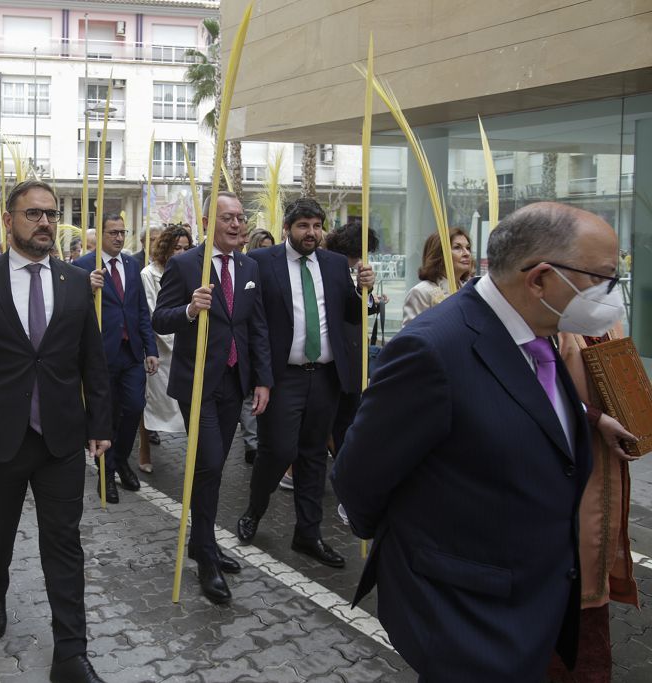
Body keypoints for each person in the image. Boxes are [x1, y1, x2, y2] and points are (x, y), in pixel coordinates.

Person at [331, 202, 624, 681]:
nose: (611, 295)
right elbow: (358, 476)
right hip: (468, 619)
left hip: (535, 603)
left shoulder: (540, 330)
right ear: (540, 279)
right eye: (603, 278)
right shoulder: (433, 349)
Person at [0, 179, 112, 683]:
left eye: (52, 215)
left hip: (60, 437)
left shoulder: (75, 282)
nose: (45, 223)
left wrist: (99, 423)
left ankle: (71, 653)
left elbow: (91, 360)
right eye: (34, 214)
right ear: (10, 219)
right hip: (2, 434)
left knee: (64, 542)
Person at [236, 199, 375, 570]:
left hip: (325, 376)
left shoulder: (332, 264)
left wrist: (365, 291)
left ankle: (308, 533)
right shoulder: (263, 263)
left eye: (317, 225)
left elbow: (349, 313)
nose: (311, 232)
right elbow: (256, 324)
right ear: (287, 228)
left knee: (314, 455)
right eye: (303, 226)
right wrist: (261, 377)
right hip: (283, 378)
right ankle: (255, 509)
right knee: (278, 450)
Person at [152, 191, 273, 605]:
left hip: (235, 382)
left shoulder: (249, 265)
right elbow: (159, 318)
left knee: (214, 468)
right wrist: (189, 309)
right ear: (209, 222)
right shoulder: (187, 265)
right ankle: (204, 554)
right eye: (228, 218)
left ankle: (202, 540)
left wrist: (262, 380)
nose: (237, 225)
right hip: (198, 383)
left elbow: (256, 327)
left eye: (240, 217)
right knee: (207, 462)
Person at [548, 326, 639, 681]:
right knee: (565, 584)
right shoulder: (548, 322)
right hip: (566, 476)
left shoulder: (608, 322)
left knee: (592, 588)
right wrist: (595, 418)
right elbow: (538, 391)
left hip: (604, 473)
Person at [76, 214, 158, 503]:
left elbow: (141, 311)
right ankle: (106, 473)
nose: (119, 238)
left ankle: (121, 459)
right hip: (100, 354)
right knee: (105, 417)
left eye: (123, 232)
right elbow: (71, 310)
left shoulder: (132, 265)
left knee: (134, 408)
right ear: (100, 235)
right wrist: (86, 288)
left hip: (132, 352)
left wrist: (151, 349)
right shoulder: (83, 266)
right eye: (113, 233)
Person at [323, 220, 382, 455]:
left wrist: (365, 295)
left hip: (351, 356)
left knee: (346, 416)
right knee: (341, 418)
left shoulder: (347, 268)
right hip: (339, 355)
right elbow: (345, 309)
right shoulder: (332, 266)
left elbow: (353, 305)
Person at [137, 226, 192, 472]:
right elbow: (153, 312)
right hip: (161, 349)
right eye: (176, 248)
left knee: (187, 406)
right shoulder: (149, 274)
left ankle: (195, 455)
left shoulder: (192, 271)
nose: (180, 253)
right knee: (152, 403)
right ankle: (144, 449)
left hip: (186, 349)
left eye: (185, 248)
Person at [238, 227, 276, 463]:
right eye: (263, 248)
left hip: (270, 338)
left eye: (271, 248)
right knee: (248, 393)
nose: (268, 253)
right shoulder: (248, 270)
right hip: (250, 340)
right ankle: (252, 442)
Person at [402, 227, 473, 326]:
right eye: (457, 247)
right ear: (439, 254)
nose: (467, 253)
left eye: (468, 248)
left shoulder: (469, 291)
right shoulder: (421, 292)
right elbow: (411, 339)